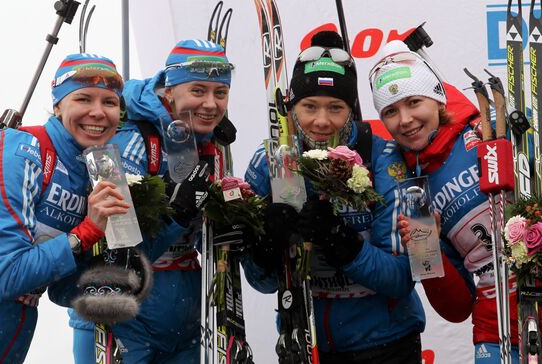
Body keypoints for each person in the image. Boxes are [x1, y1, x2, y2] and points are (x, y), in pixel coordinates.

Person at [241, 30, 425, 364]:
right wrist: (266, 246)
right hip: (305, 341)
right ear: (292, 106)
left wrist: (343, 241)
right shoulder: (270, 160)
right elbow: (261, 283)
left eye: (335, 108)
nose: (321, 121)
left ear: (351, 108)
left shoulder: (382, 157)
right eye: (309, 106)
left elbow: (403, 278)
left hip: (385, 346)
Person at [66, 39, 233, 363]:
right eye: (198, 91)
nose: (211, 104)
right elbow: (118, 249)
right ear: (168, 90)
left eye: (220, 92)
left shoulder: (207, 140)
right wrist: (177, 213)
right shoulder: (129, 138)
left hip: (184, 317)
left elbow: (201, 231)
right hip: (124, 319)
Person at [368, 40, 518, 363]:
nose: (405, 120)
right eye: (390, 111)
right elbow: (457, 308)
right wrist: (428, 251)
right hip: (495, 329)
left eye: (414, 102)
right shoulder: (408, 185)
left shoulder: (486, 129)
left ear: (437, 98)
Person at [0, 53, 129, 363]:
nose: (98, 113)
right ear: (57, 105)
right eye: (83, 99)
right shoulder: (21, 148)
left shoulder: (104, 167)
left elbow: (63, 291)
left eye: (109, 103)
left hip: (19, 321)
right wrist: (86, 232)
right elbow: (7, 277)